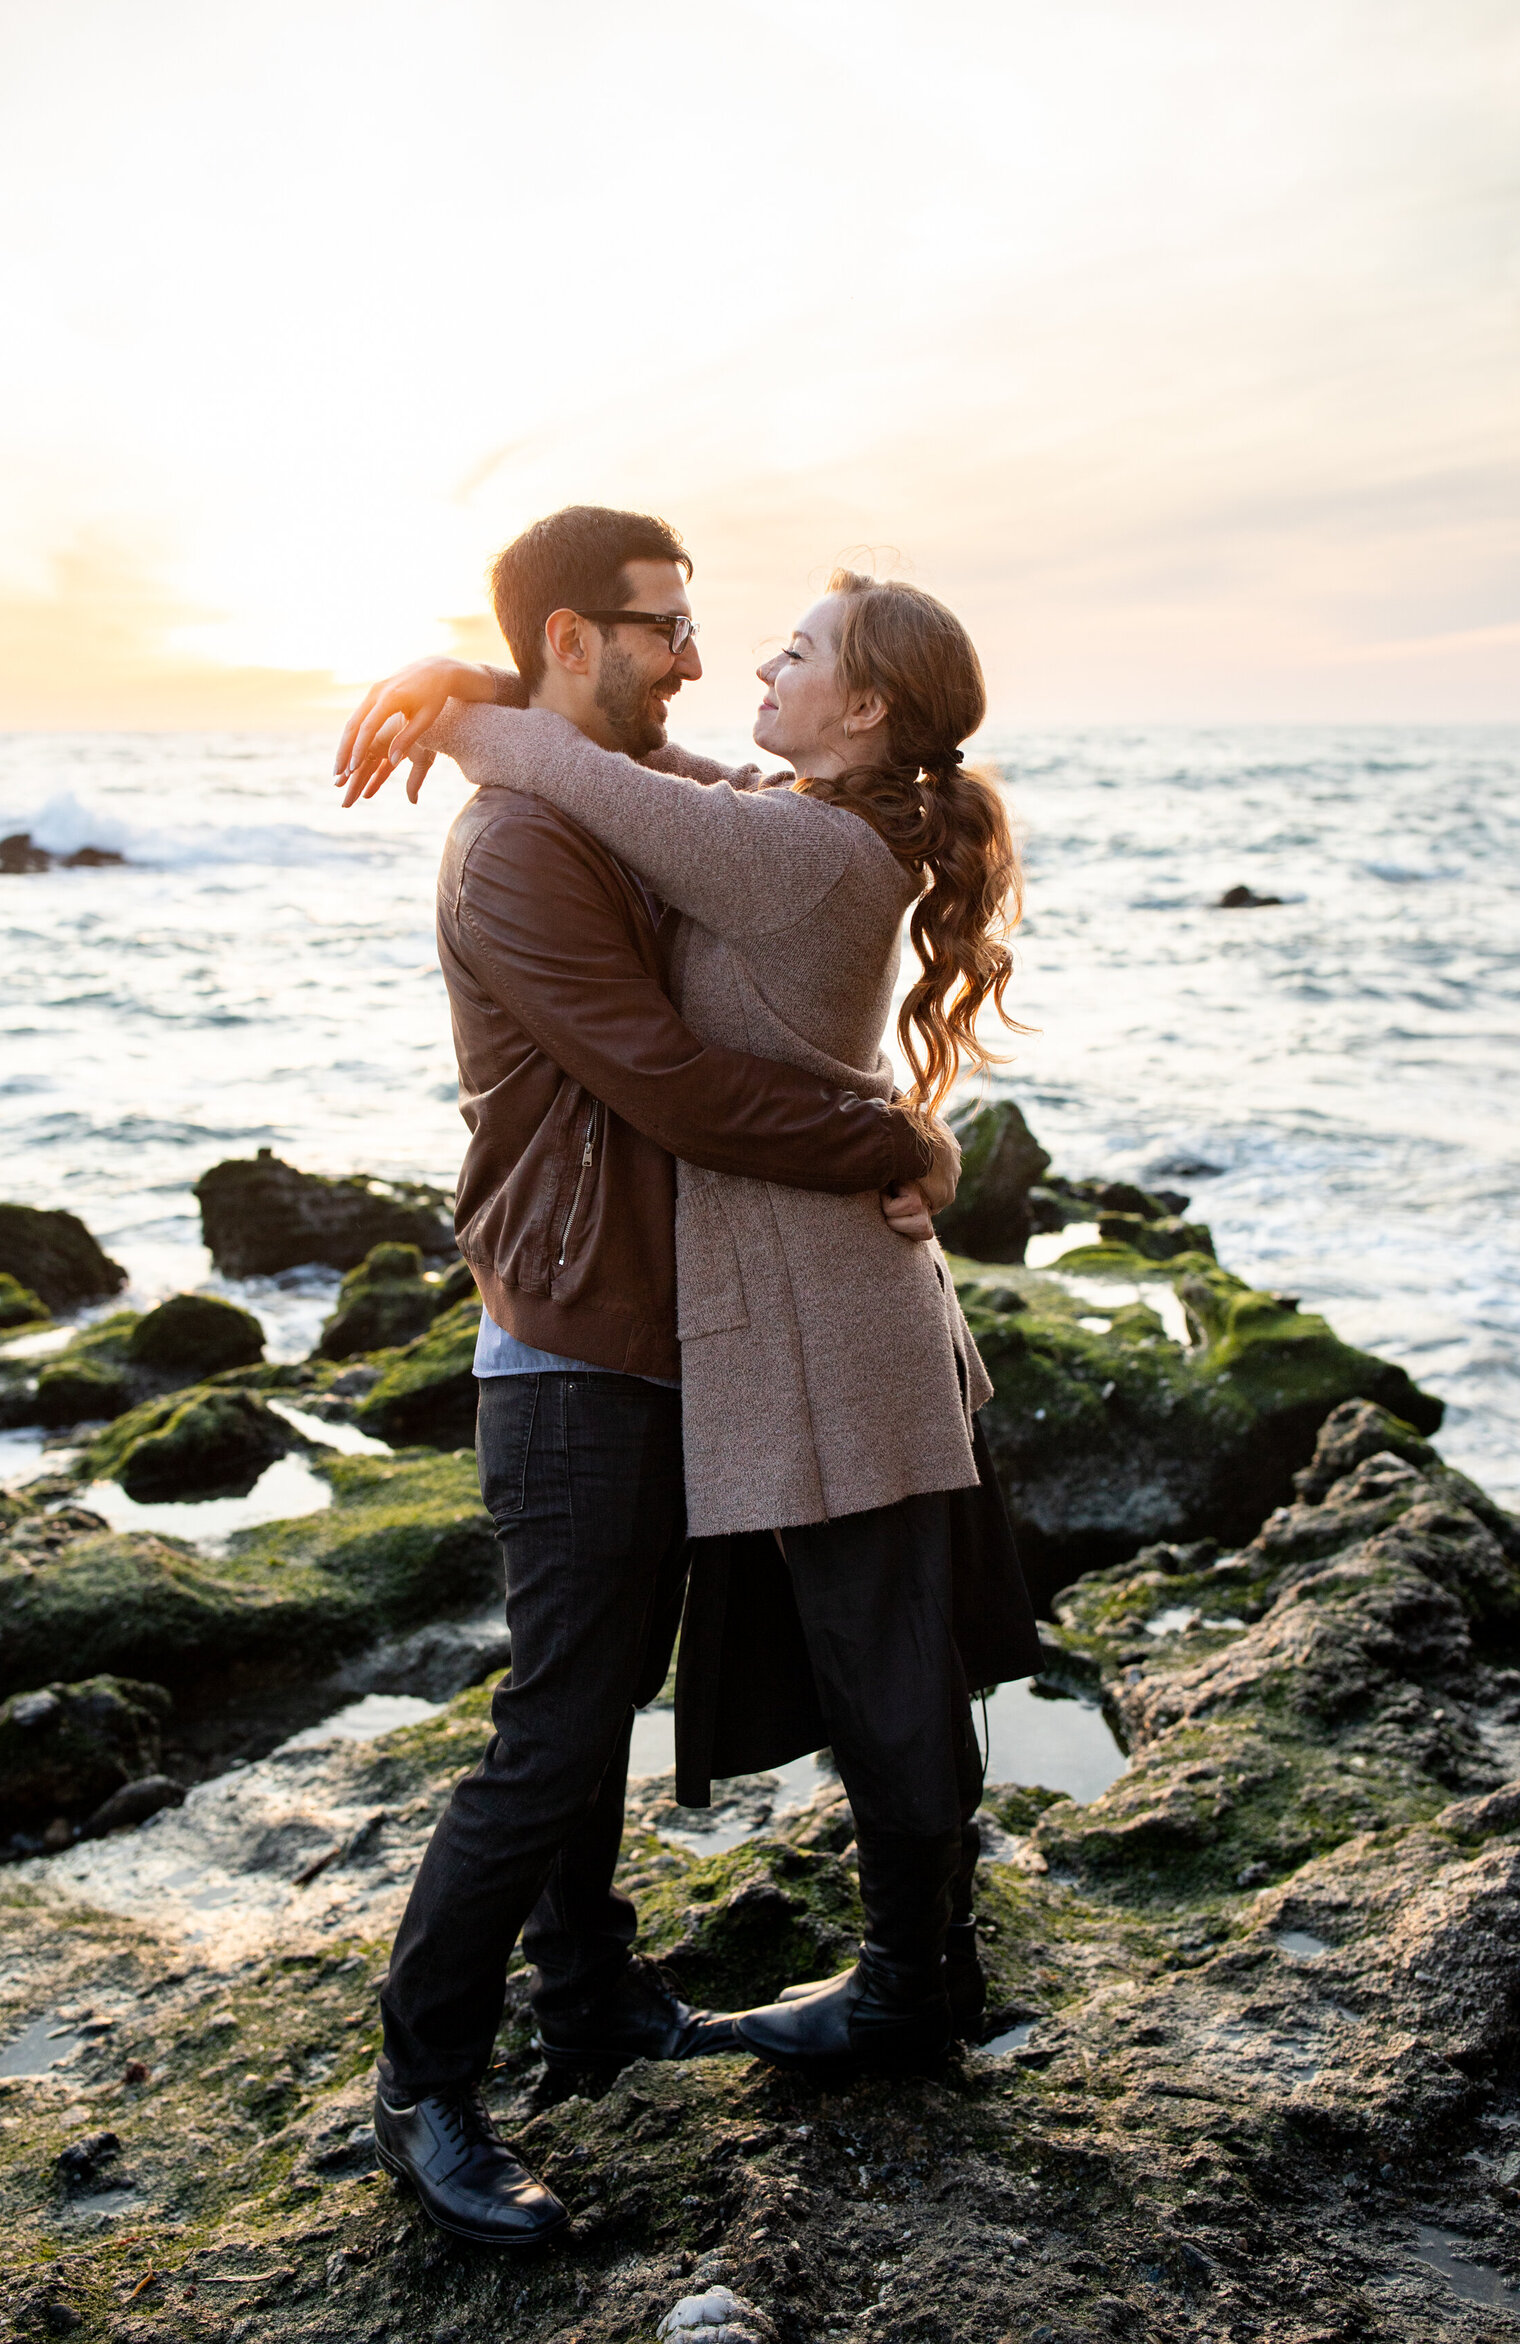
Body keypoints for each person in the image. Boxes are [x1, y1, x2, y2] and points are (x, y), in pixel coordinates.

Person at [343, 544, 1043, 2118]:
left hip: (827, 1308)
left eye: (791, 654)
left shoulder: (793, 851)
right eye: (693, 634)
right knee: (865, 1664)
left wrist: (459, 697)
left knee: (884, 1667)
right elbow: (642, 776)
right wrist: (473, 675)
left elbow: (603, 771)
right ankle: (880, 1988)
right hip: (788, 1304)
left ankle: (909, 1996)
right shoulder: (794, 825)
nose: (738, 669)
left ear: (863, 712)